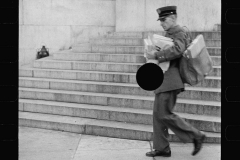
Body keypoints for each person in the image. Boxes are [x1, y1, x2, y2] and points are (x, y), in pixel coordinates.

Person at [145, 6, 206, 157]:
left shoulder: (179, 31)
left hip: (171, 80)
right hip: (164, 80)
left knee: (164, 114)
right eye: (161, 20)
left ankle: (196, 135)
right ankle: (162, 147)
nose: (161, 23)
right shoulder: (170, 32)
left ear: (173, 18)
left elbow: (178, 50)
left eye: (164, 20)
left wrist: (157, 54)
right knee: (157, 114)